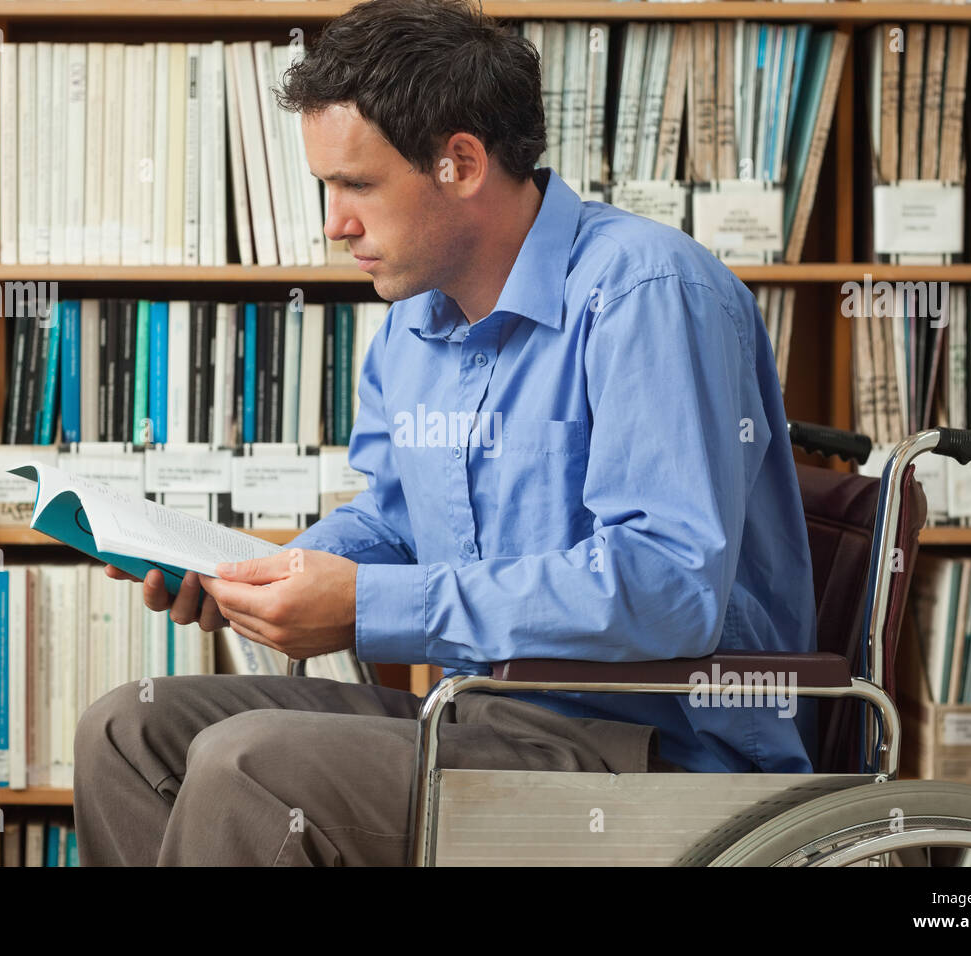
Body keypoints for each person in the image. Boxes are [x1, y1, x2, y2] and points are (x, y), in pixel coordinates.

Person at [73, 0, 817, 866]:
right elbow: (393, 521)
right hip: (486, 718)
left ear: (460, 163)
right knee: (128, 728)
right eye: (327, 188)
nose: (333, 223)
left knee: (251, 766)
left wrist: (366, 608)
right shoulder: (415, 321)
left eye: (357, 185)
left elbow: (667, 588)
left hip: (655, 755)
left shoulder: (647, 293)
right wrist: (263, 575)